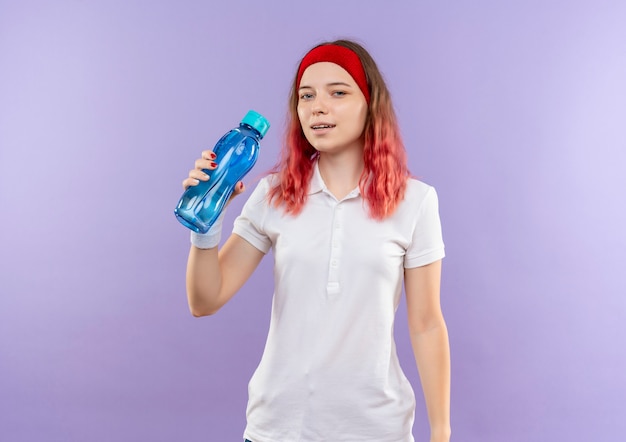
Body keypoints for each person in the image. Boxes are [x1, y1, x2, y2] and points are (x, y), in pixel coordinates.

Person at [182, 39, 451, 442]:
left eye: (337, 93)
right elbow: (204, 300)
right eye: (305, 96)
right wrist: (206, 219)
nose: (316, 107)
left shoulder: (415, 201)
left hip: (377, 430)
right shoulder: (274, 194)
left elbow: (427, 324)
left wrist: (441, 431)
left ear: (370, 103)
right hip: (277, 429)